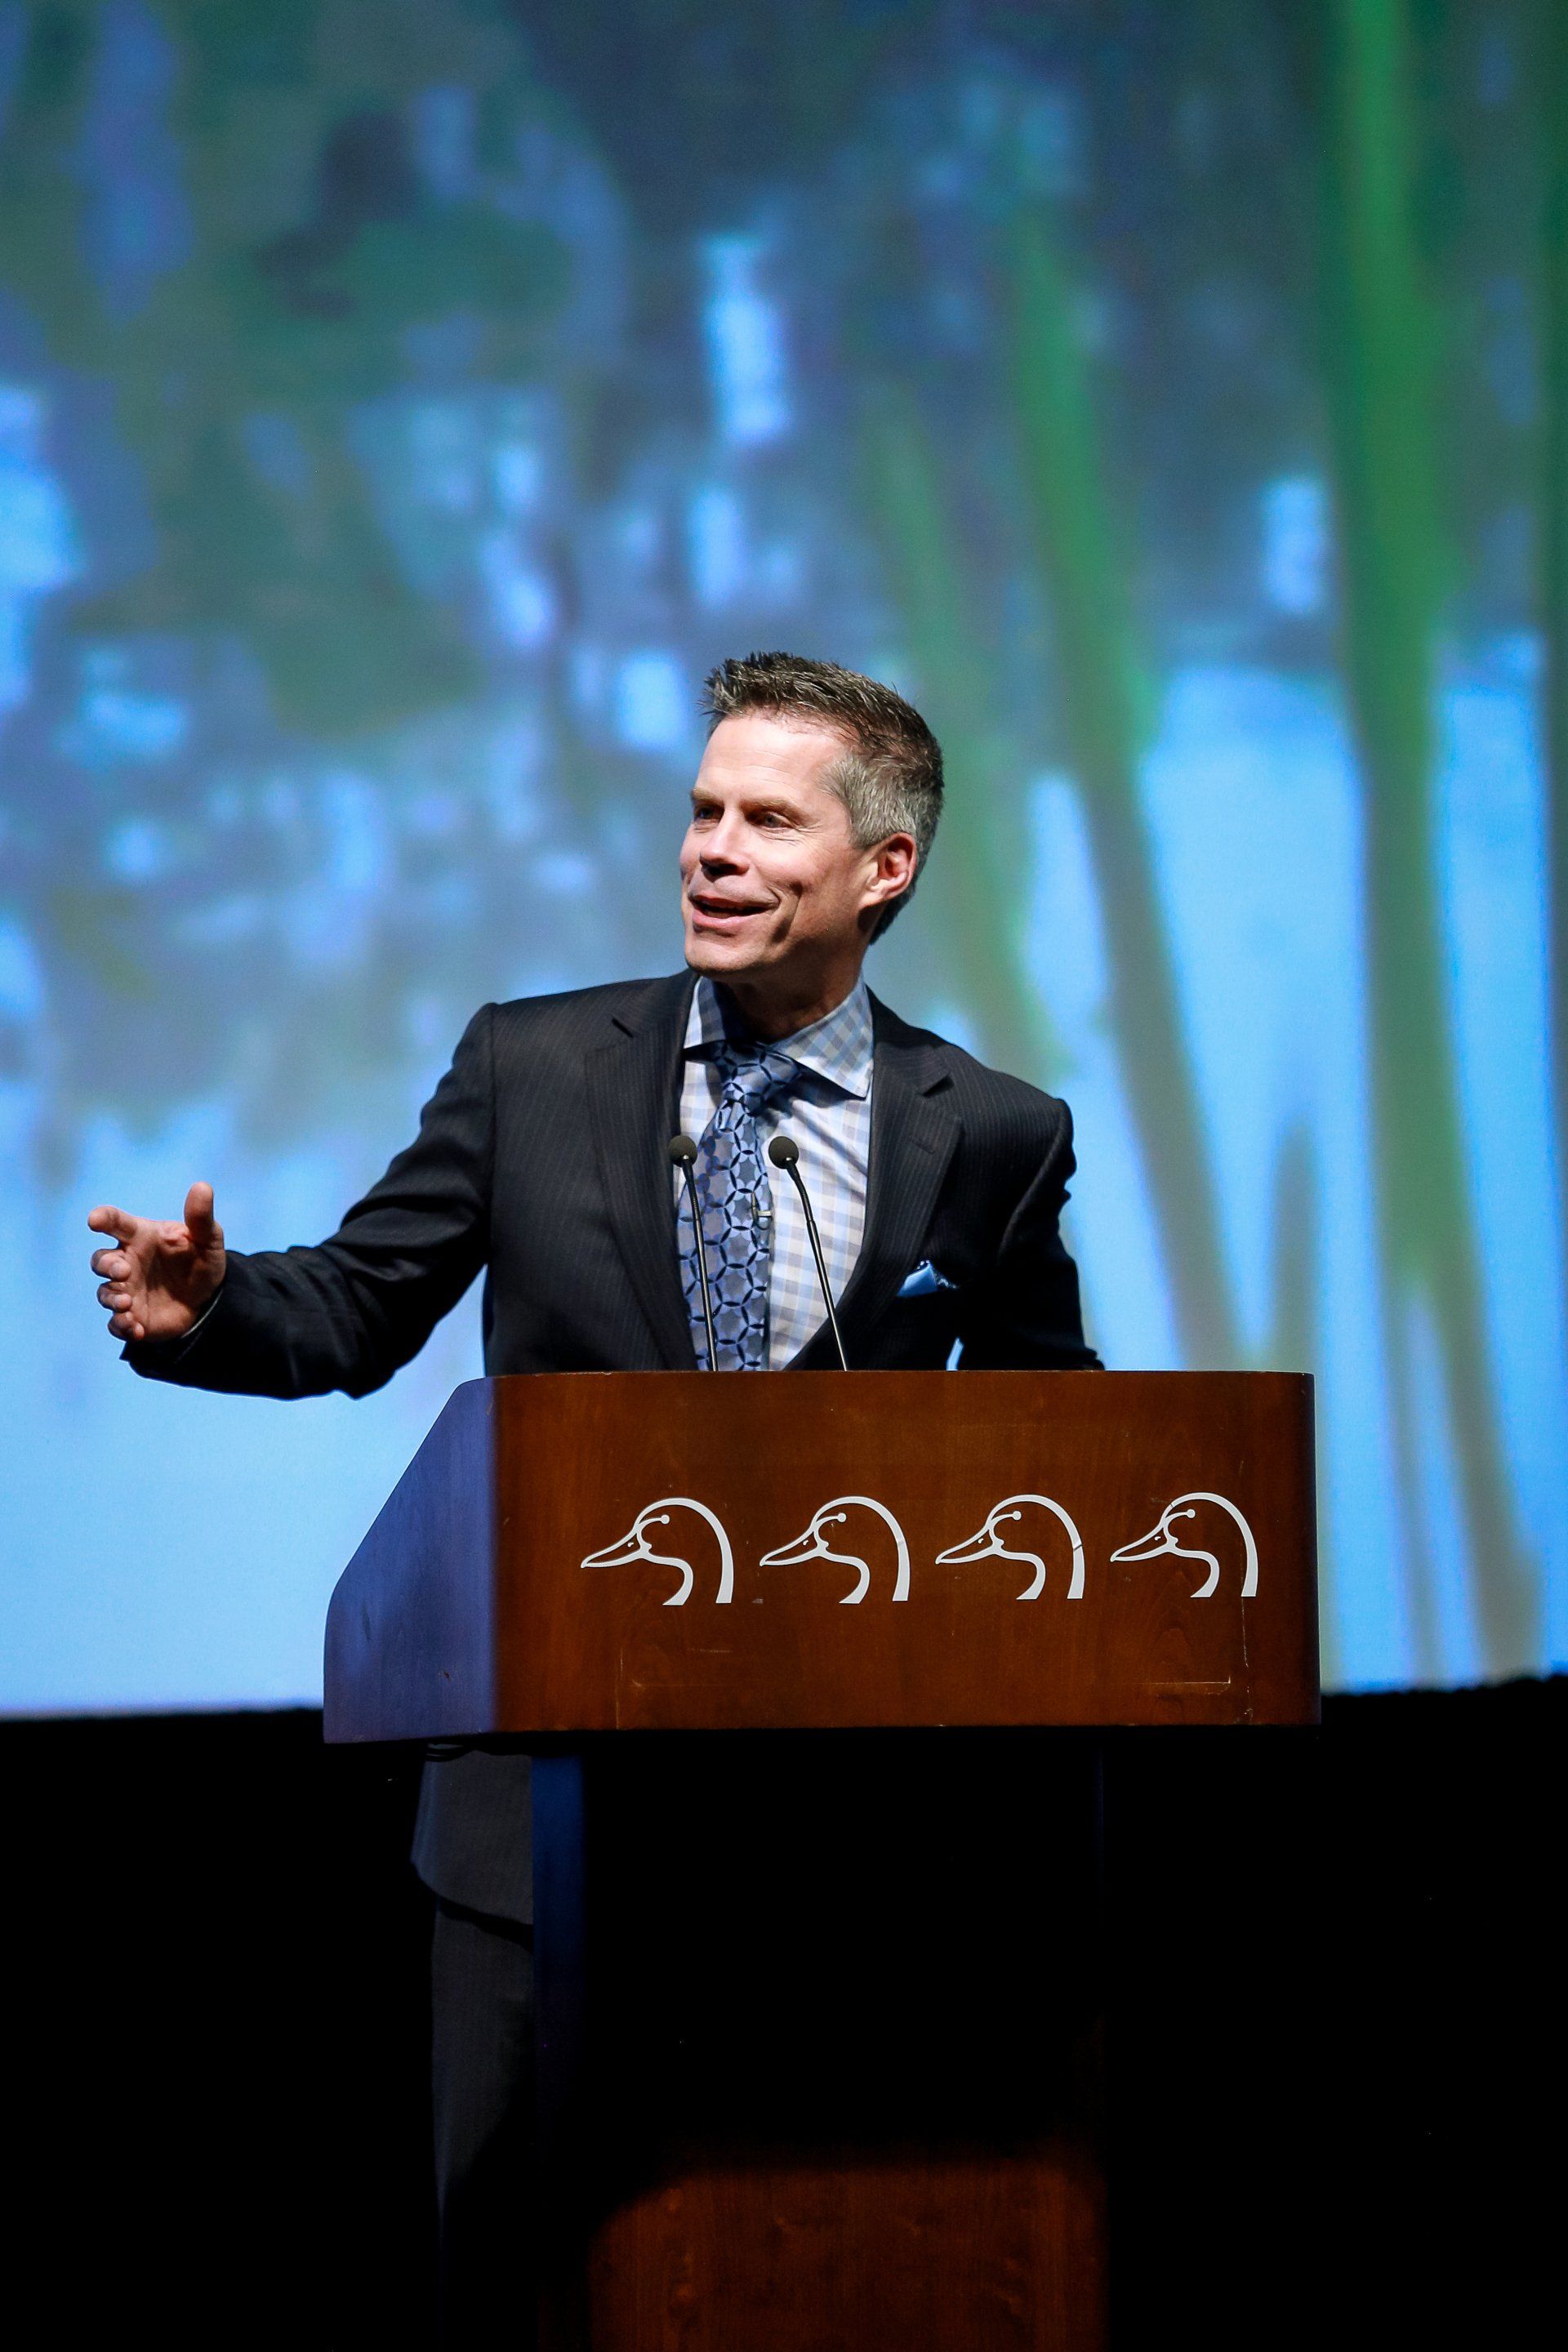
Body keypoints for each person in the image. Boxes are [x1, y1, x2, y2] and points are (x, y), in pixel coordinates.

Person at [87, 650, 1101, 2337]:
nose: (712, 847)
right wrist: (213, 1310)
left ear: (884, 869)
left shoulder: (992, 1132)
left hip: (845, 1836)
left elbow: (1038, 1444)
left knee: (805, 2272)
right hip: (538, 1815)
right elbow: (354, 1302)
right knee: (517, 2287)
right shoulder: (533, 1066)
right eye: (702, 810)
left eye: (768, 820)